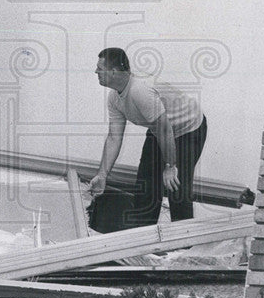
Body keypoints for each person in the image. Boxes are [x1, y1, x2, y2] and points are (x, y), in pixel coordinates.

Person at [87, 47, 207, 227]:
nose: (96, 71)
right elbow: (114, 137)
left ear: (113, 71)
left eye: (100, 68)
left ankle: (184, 247)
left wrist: (170, 166)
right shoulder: (114, 98)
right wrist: (102, 174)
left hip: (189, 128)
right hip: (160, 128)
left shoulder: (139, 90)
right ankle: (144, 238)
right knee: (145, 186)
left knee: (176, 187)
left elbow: (165, 130)